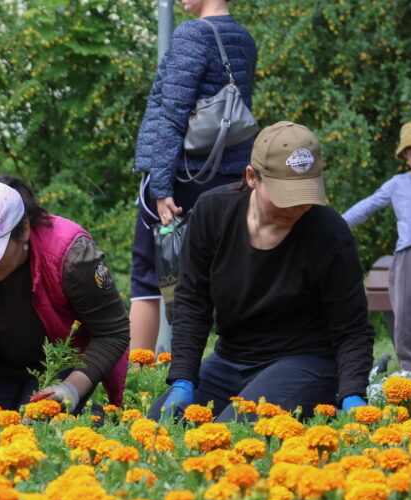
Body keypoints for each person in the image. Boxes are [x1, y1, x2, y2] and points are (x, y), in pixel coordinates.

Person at [152, 122, 374, 422]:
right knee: (159, 423)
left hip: (305, 362)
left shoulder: (329, 234)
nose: (297, 205)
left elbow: (352, 328)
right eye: (286, 194)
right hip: (231, 360)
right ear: (251, 177)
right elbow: (192, 300)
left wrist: (352, 393)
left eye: (306, 193)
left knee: (235, 428)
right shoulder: (212, 212)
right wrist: (183, 379)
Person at [0, 176, 130, 412]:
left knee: (44, 423)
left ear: (24, 230)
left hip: (62, 363)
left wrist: (72, 388)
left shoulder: (73, 255)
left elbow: (112, 332)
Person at [131, 0, 256, 354]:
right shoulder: (244, 38)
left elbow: (170, 114)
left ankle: (139, 374)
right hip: (232, 178)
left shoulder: (192, 34)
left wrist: (160, 187)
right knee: (226, 276)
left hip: (184, 177)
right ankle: (234, 365)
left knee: (148, 277)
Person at [342, 119, 411, 371]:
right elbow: (367, 206)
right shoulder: (397, 184)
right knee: (406, 311)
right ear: (405, 156)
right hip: (407, 253)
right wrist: (336, 223)